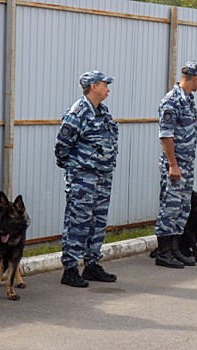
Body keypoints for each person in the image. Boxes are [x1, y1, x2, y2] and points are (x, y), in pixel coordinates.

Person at [55, 71, 119, 287]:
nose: (108, 88)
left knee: (97, 222)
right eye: (105, 84)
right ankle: (71, 268)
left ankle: (91, 264)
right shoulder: (77, 112)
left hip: (102, 175)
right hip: (83, 177)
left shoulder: (103, 112)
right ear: (93, 86)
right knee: (77, 221)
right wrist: (75, 168)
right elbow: (62, 145)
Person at [155, 61, 197, 268]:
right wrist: (172, 164)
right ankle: (163, 252)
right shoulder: (172, 101)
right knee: (170, 207)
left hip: (186, 164)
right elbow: (166, 135)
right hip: (175, 165)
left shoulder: (188, 100)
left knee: (182, 207)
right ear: (195, 77)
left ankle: (175, 248)